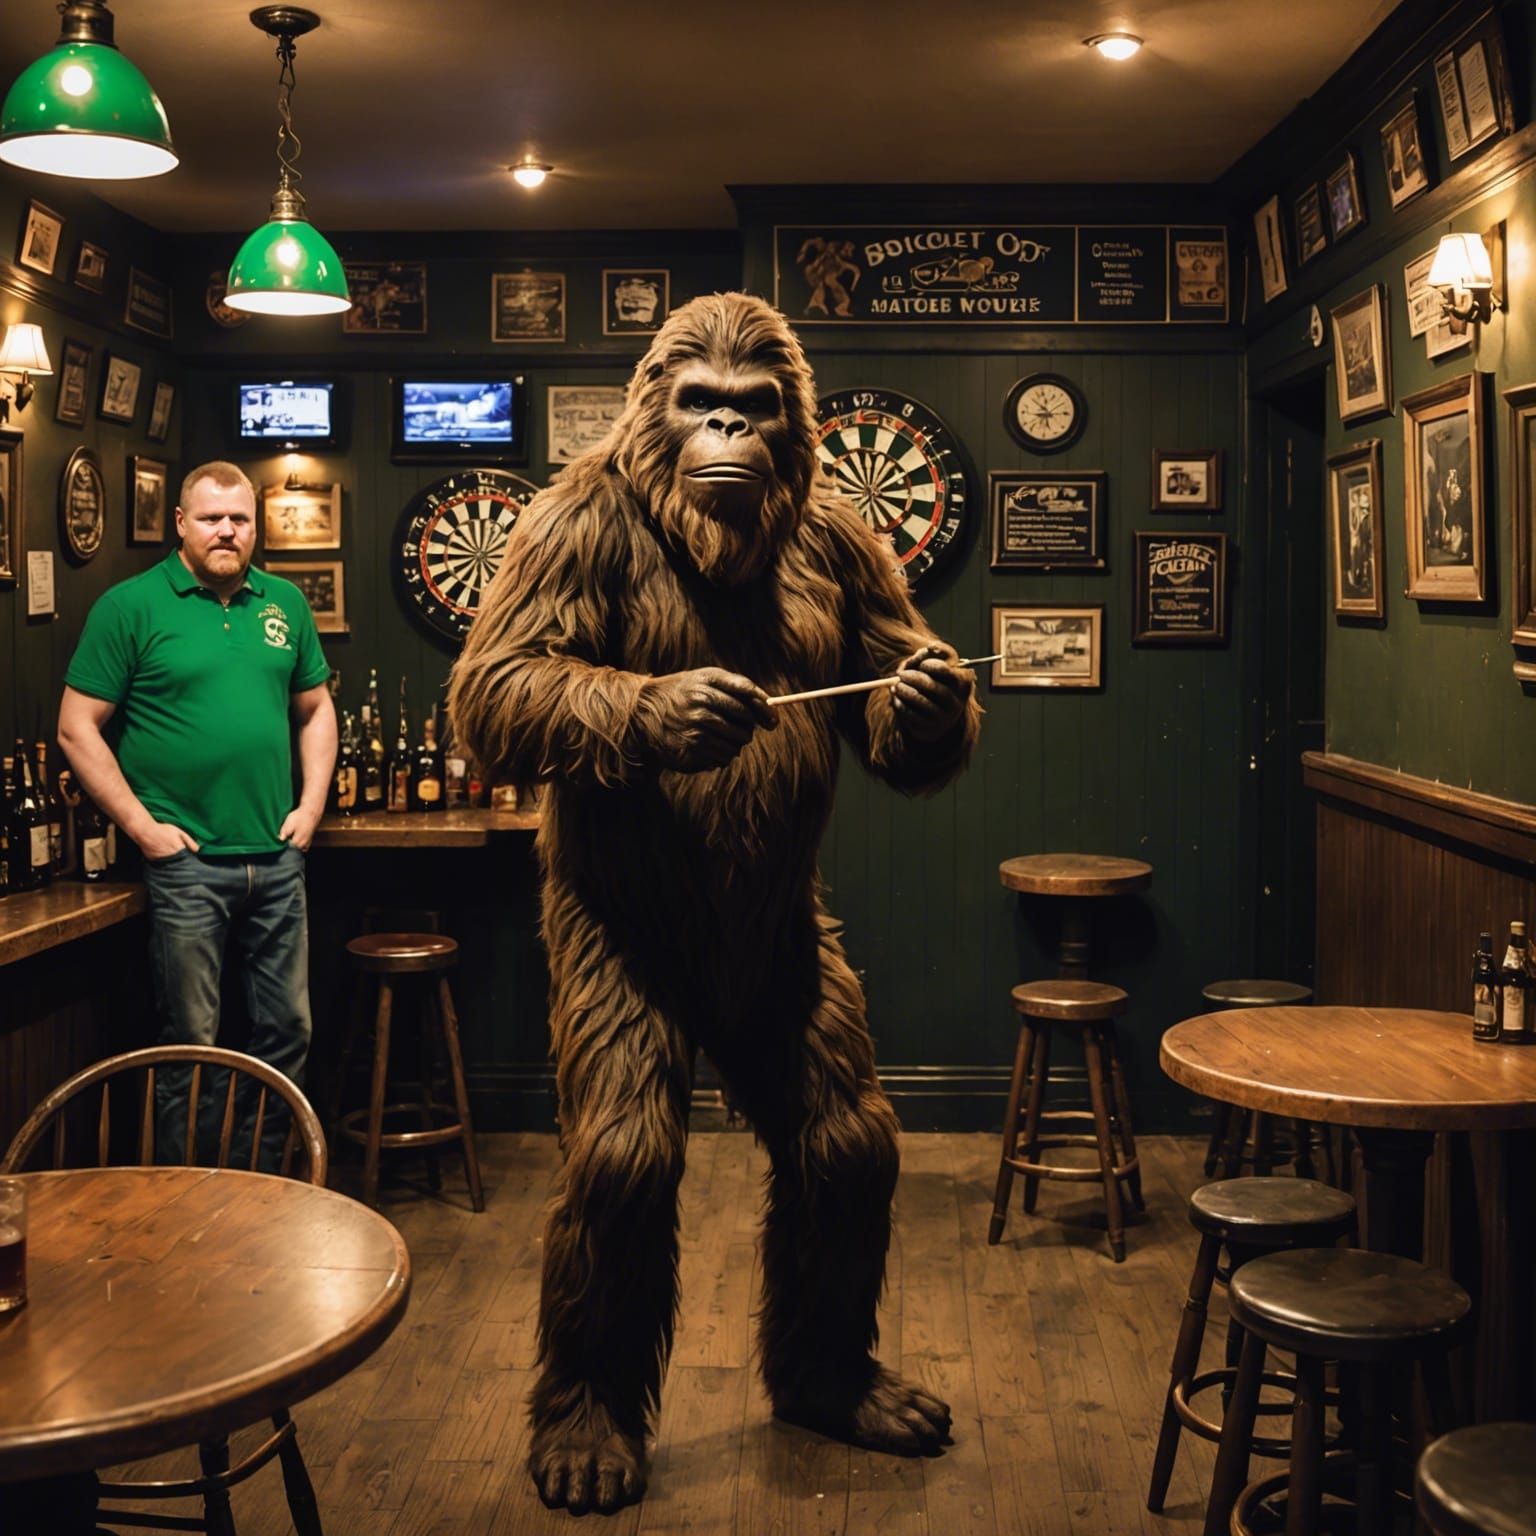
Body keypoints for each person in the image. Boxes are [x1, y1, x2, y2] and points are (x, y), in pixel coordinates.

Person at [57, 461, 336, 1168]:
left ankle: (266, 1185)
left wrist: (311, 805)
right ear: (180, 523)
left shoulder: (284, 604)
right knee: (191, 1041)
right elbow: (75, 728)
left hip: (275, 857)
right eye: (211, 518)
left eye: (240, 519)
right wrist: (145, 830)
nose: (227, 532)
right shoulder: (131, 607)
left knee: (287, 1031)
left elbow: (316, 709)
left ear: (255, 525)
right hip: (186, 867)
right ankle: (192, 1194)